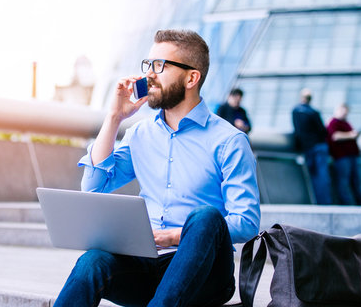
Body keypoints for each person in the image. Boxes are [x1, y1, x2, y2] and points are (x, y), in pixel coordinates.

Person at [55, 29, 261, 307]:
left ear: (191, 77)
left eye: (160, 66)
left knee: (205, 217)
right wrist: (114, 117)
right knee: (92, 261)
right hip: (147, 266)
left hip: (205, 273)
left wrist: (177, 235)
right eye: (148, 64)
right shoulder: (140, 134)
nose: (149, 75)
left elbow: (247, 222)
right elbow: (93, 188)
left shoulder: (229, 141)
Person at [291, 88, 331, 205]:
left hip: (307, 147)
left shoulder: (296, 111)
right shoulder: (314, 112)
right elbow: (322, 131)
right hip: (319, 146)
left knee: (313, 176)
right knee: (322, 176)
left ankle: (319, 202)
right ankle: (324, 203)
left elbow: (297, 130)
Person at [327, 103, 361, 205]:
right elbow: (335, 136)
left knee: (356, 181)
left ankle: (360, 203)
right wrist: (350, 135)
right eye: (343, 112)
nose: (345, 114)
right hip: (341, 157)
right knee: (343, 181)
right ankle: (346, 203)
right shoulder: (333, 122)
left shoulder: (346, 123)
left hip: (352, 156)